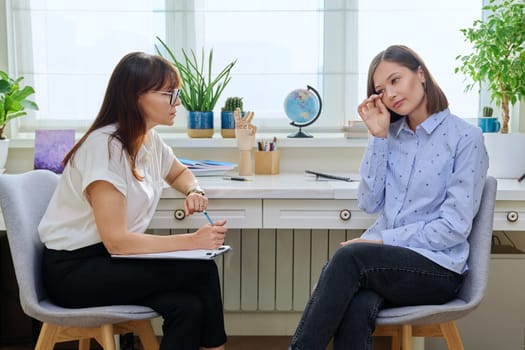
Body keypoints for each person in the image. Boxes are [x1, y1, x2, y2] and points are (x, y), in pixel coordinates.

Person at [289, 45, 489, 350]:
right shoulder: (390, 136)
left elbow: (454, 228)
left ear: (420, 74)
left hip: (438, 269)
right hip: (390, 268)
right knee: (358, 303)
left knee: (350, 258)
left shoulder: (465, 138)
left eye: (395, 80)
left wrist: (382, 241)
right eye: (381, 90)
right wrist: (377, 137)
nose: (390, 94)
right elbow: (369, 202)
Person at [38, 52, 228, 350]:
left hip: (112, 262)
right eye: (170, 93)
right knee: (201, 270)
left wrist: (195, 191)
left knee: (188, 306)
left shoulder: (147, 139)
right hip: (75, 272)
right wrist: (193, 241)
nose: (178, 101)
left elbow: (180, 172)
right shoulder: (105, 148)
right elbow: (118, 242)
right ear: (136, 96)